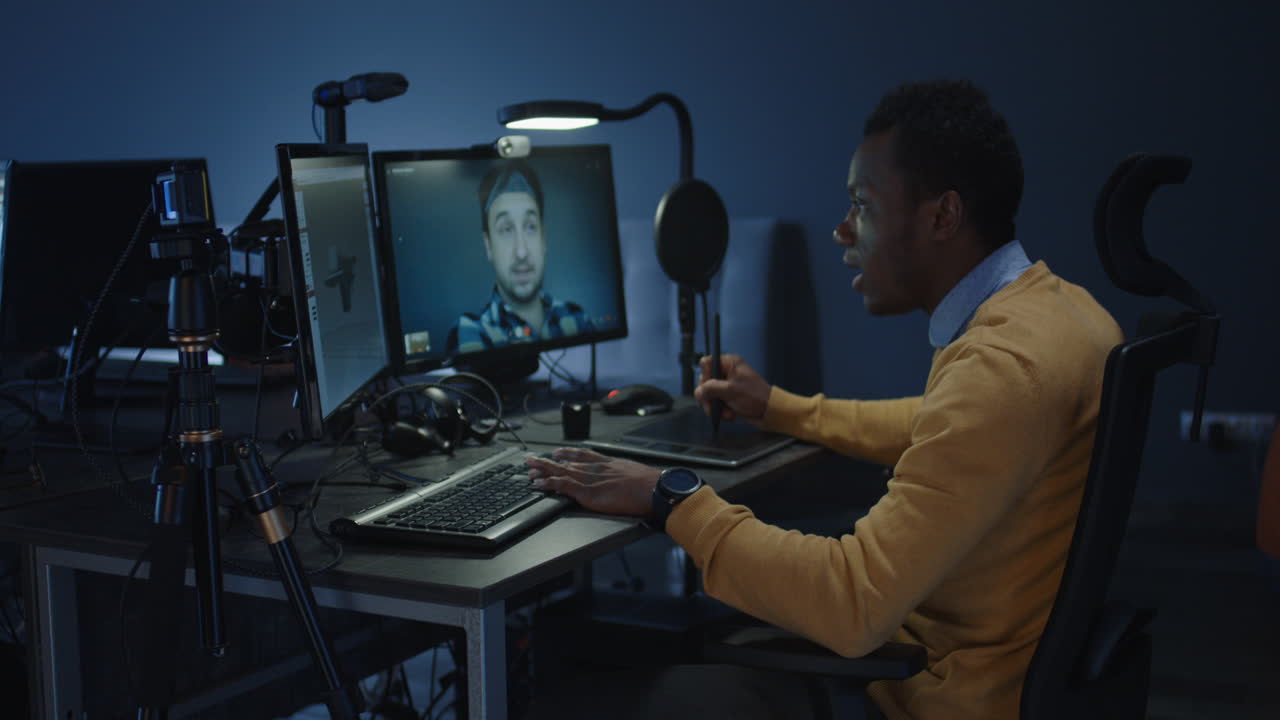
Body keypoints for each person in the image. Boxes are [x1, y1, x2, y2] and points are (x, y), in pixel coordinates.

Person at [523, 78, 1123, 719]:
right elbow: (932, 424)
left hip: (929, 696)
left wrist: (672, 498)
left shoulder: (1001, 371)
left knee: (568, 698)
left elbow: (855, 602)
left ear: (942, 216)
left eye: (862, 205)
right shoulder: (1064, 317)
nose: (842, 230)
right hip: (973, 666)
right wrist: (778, 405)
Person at [447, 160, 594, 354]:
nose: (521, 252)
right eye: (506, 229)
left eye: (531, 226)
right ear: (488, 245)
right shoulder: (471, 331)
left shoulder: (576, 318)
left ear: (544, 238)